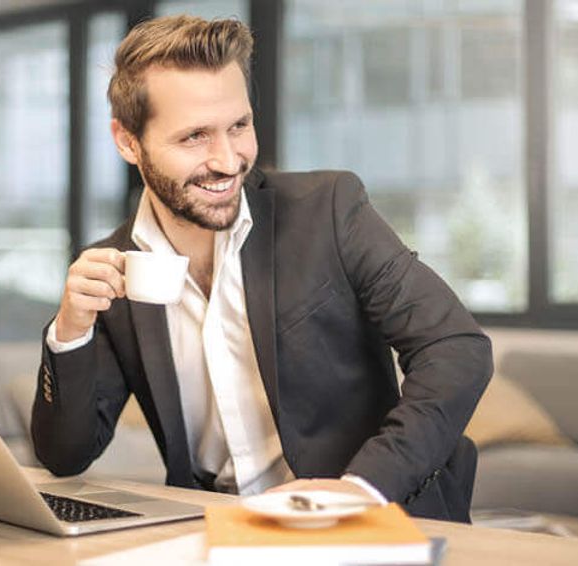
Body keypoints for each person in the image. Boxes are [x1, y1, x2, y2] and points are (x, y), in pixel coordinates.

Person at [31, 15, 492, 522]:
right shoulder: (115, 267)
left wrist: (362, 487)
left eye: (239, 126)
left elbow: (455, 348)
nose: (229, 160)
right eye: (195, 137)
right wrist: (70, 331)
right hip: (214, 528)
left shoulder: (329, 210)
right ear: (128, 142)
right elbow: (66, 455)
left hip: (365, 520)